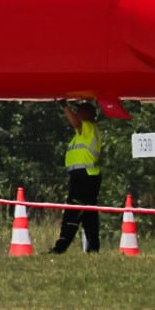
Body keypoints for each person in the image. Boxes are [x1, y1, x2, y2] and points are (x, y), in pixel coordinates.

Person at [50, 101, 103, 254]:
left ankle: (61, 247)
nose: (77, 114)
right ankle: (93, 247)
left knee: (73, 211)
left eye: (80, 111)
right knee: (88, 214)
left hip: (84, 177)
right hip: (84, 176)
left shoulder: (88, 128)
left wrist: (64, 106)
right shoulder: (81, 134)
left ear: (88, 115)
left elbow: (75, 122)